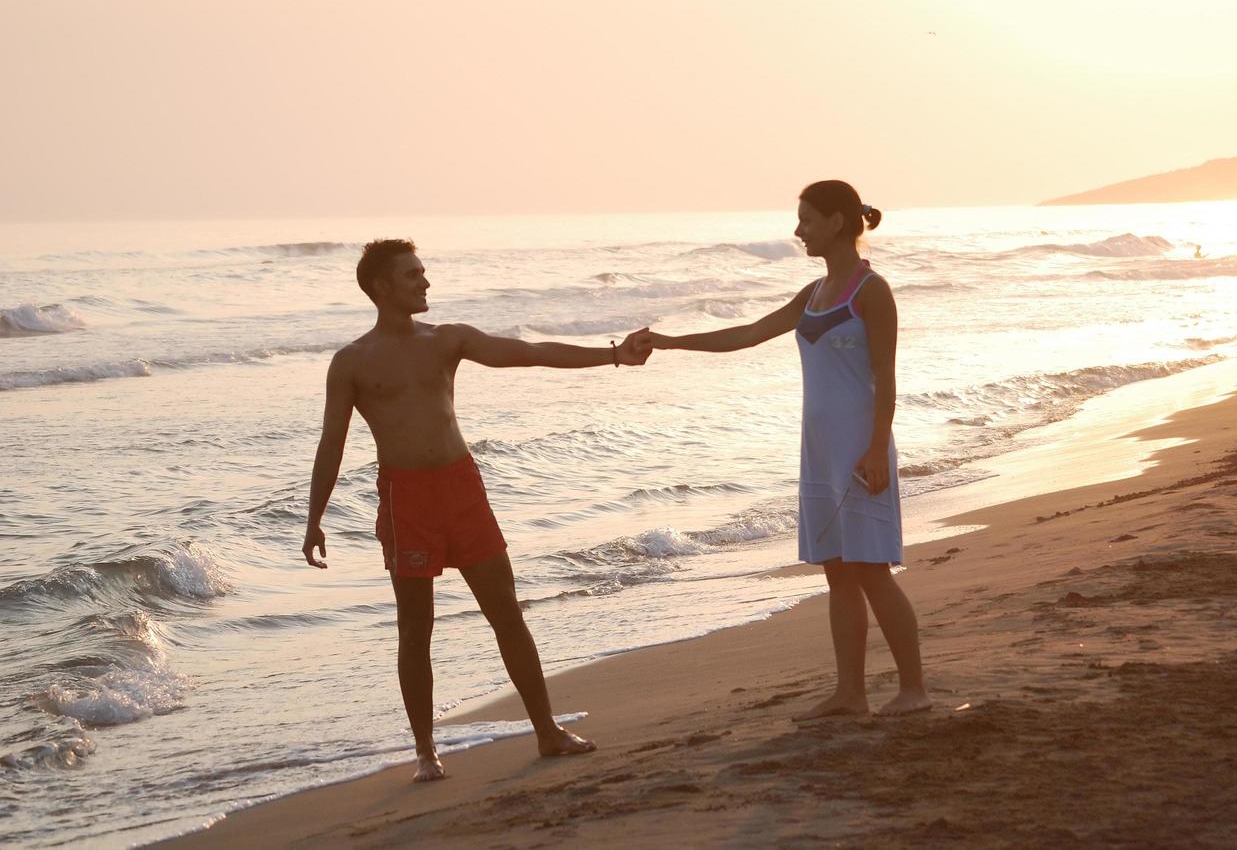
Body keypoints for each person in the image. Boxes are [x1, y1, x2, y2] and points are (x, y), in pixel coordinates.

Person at [302, 238, 652, 781]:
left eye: (423, 272)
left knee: (506, 612)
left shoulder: (447, 340)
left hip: (462, 489)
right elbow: (332, 443)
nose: (424, 282)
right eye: (412, 275)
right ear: (380, 287)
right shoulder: (351, 362)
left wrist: (612, 355)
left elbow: (530, 353)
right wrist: (313, 518)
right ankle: (425, 752)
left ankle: (548, 731)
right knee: (415, 628)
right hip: (406, 500)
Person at [646, 181, 930, 718]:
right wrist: (670, 342)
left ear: (838, 223)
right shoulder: (814, 293)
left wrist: (875, 449)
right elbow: (749, 334)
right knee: (837, 571)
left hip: (860, 448)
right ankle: (851, 694)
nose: (797, 230)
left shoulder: (871, 291)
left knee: (872, 570)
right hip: (819, 450)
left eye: (806, 219)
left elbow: (886, 378)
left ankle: (914, 689)